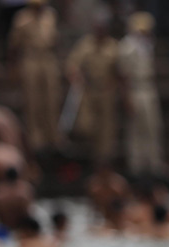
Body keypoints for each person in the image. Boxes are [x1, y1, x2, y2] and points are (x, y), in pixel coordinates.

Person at [8, 0, 62, 154]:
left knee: (52, 97)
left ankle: (53, 135)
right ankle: (35, 138)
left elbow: (54, 39)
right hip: (30, 58)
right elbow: (13, 45)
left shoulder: (50, 15)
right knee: (32, 99)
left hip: (47, 58)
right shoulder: (22, 18)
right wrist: (14, 67)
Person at [66, 10, 120, 162]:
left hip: (107, 91)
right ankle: (89, 152)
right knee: (86, 125)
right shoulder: (85, 44)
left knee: (107, 128)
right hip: (89, 91)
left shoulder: (113, 46)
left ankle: (104, 159)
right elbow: (72, 65)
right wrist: (77, 76)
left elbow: (121, 71)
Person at [118, 12, 164, 177]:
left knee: (153, 127)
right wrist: (126, 98)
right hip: (135, 89)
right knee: (136, 131)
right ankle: (136, 167)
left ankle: (153, 165)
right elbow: (123, 76)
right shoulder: (127, 46)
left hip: (148, 88)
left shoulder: (147, 45)